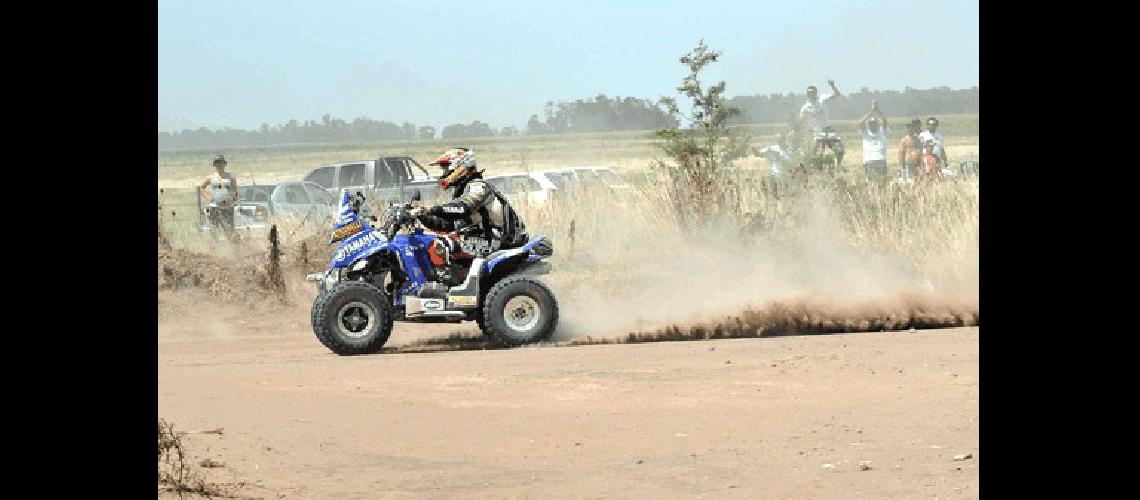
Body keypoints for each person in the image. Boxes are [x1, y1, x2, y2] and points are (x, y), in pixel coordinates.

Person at [410, 147, 528, 259]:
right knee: (429, 242)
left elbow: (463, 208)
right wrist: (422, 215)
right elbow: (448, 225)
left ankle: (452, 279)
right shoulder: (464, 190)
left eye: (446, 168)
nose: (444, 173)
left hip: (499, 240)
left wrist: (431, 209)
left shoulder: (478, 186)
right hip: (486, 238)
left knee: (441, 246)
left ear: (461, 168)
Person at [799, 80, 844, 171]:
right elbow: (800, 121)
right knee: (817, 155)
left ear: (816, 92)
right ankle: (818, 171)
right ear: (807, 94)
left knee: (839, 150)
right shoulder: (805, 107)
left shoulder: (822, 99)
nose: (812, 94)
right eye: (809, 93)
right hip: (818, 133)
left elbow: (837, 94)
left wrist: (832, 85)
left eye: (813, 92)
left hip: (829, 130)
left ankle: (838, 166)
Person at [198, 155, 239, 235]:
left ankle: (232, 246)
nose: (219, 165)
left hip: (228, 206)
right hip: (215, 207)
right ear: (214, 165)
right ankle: (215, 246)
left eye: (221, 163)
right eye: (217, 163)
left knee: (230, 230)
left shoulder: (231, 177)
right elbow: (201, 188)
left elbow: (235, 190)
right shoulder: (211, 177)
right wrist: (208, 197)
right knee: (214, 229)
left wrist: (234, 199)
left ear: (225, 164)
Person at [858, 100, 889, 179]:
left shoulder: (882, 131)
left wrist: (877, 110)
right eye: (871, 124)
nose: (873, 125)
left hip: (881, 160)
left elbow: (885, 120)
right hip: (869, 161)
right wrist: (871, 111)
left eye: (875, 123)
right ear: (868, 125)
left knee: (883, 182)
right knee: (870, 183)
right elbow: (860, 123)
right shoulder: (865, 133)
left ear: (878, 124)